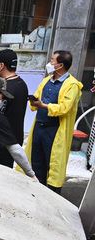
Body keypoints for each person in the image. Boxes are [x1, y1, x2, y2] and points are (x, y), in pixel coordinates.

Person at [20, 50, 82, 193]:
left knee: (53, 166)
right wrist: (34, 101)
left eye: (52, 61)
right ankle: (37, 193)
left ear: (60, 65)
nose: (50, 63)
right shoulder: (46, 80)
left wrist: (43, 105)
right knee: (36, 162)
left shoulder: (72, 85)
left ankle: (53, 199)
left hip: (54, 130)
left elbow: (64, 108)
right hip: (39, 128)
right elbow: (38, 95)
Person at [0, 49, 29, 166]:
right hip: (11, 139)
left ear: (1, 65)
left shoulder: (5, 88)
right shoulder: (21, 84)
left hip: (1, 142)